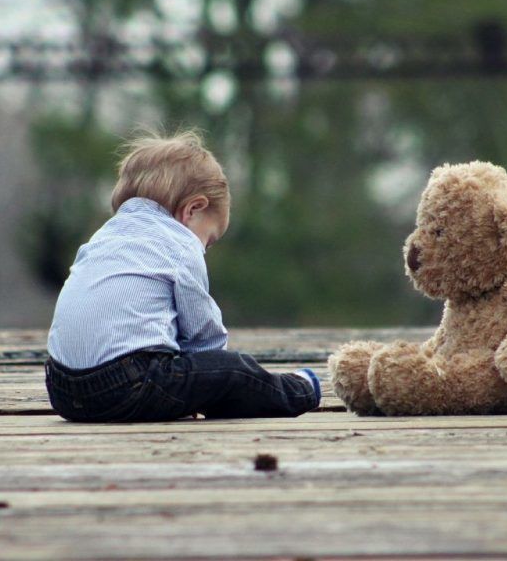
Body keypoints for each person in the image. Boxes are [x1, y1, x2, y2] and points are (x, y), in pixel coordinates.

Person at [44, 129, 321, 422]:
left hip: (62, 390)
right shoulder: (179, 244)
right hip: (128, 385)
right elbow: (204, 336)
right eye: (209, 240)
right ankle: (300, 389)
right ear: (193, 209)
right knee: (235, 370)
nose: (205, 249)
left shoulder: (102, 237)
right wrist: (211, 377)